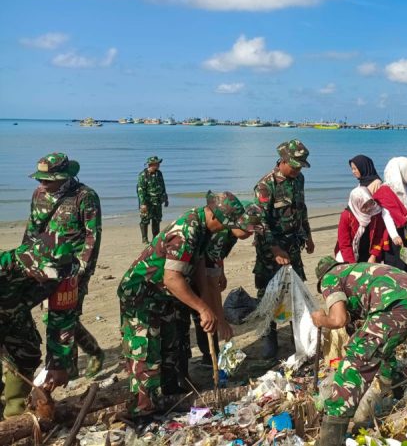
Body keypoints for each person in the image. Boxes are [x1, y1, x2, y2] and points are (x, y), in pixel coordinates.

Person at [117, 192, 249, 417]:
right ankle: (142, 409)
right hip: (141, 294)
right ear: (215, 217)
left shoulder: (204, 230)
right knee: (146, 352)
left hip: (164, 295)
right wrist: (202, 308)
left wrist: (205, 304)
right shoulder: (186, 231)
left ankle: (170, 396)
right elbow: (172, 278)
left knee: (171, 346)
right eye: (227, 224)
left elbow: (199, 267)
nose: (227, 229)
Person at [0, 153, 100, 418]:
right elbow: (32, 231)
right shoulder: (5, 267)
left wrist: (58, 362)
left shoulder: (63, 276)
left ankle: (15, 415)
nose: (47, 280)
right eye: (43, 275)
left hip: (20, 304)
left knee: (27, 351)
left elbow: (62, 319)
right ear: (29, 266)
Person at [312, 257, 407, 443]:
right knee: (380, 349)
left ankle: (330, 438)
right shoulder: (357, 272)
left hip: (395, 305)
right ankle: (396, 391)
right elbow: (354, 320)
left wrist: (321, 320)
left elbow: (338, 320)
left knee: (355, 363)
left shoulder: (330, 277)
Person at [252, 140, 315, 360]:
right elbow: (259, 222)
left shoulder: (299, 180)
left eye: (301, 166)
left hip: (293, 245)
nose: (298, 170)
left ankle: (298, 334)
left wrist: (308, 236)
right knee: (269, 294)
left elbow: (301, 209)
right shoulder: (265, 185)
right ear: (283, 160)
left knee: (296, 289)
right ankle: (269, 339)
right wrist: (276, 249)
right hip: (270, 250)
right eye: (295, 166)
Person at [190, 202, 261, 367]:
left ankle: (211, 356)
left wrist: (220, 271)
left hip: (202, 267)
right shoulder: (221, 234)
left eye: (253, 230)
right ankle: (210, 357)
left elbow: (216, 255)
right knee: (204, 314)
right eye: (247, 228)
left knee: (208, 311)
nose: (250, 233)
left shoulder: (231, 232)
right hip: (188, 273)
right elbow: (210, 285)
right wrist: (222, 321)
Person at [334, 186, 397, 264]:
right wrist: (353, 264)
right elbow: (344, 245)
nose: (368, 209)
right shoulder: (346, 216)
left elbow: (379, 236)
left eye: (370, 203)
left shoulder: (375, 213)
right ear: (357, 204)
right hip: (350, 254)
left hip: (370, 254)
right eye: (364, 206)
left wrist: (373, 255)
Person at [137, 156, 168, 244]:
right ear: (151, 164)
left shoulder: (159, 173)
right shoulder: (143, 175)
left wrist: (165, 198)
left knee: (156, 220)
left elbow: (163, 186)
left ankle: (155, 239)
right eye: (157, 163)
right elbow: (141, 190)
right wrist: (143, 203)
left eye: (158, 163)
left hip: (157, 202)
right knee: (145, 220)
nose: (159, 165)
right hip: (147, 202)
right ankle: (145, 239)